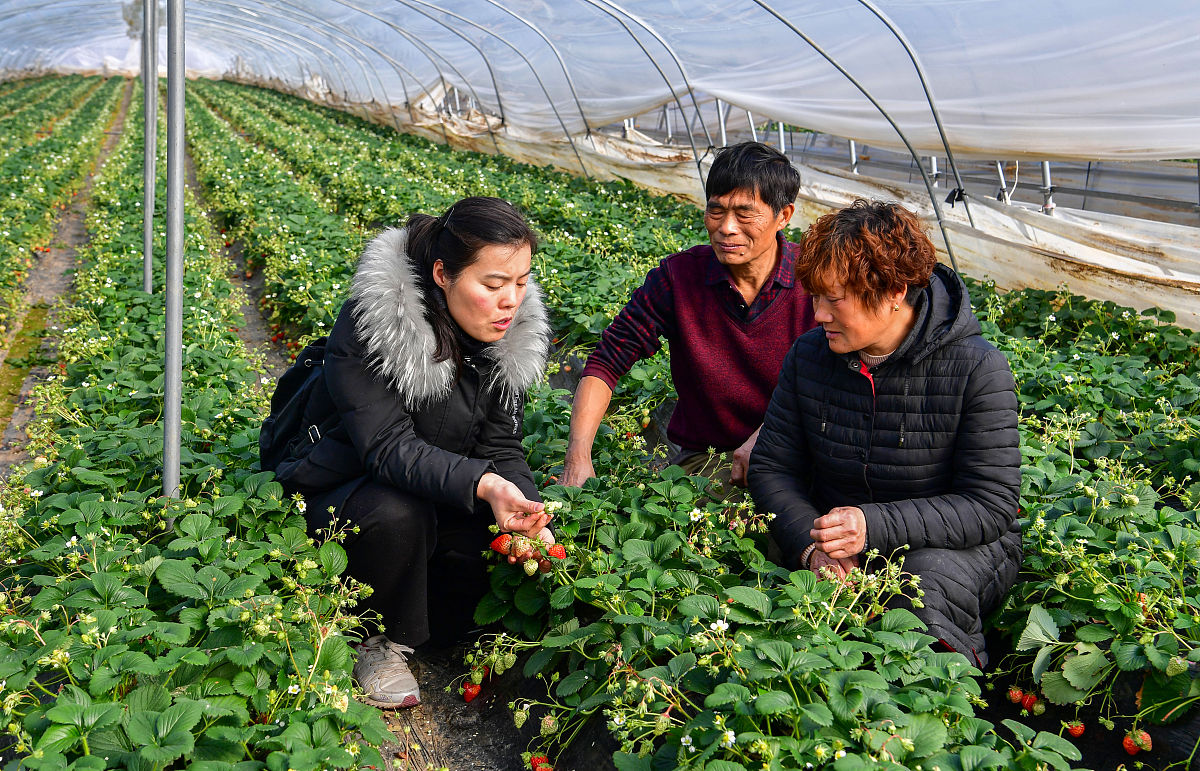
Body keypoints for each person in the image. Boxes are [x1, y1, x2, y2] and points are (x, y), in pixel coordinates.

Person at [271, 196, 553, 708]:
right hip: (341, 491)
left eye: (520, 281)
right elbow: (386, 448)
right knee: (396, 513)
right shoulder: (373, 325)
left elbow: (500, 444)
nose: (511, 300)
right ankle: (371, 640)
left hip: (431, 491)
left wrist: (530, 510)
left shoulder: (503, 338)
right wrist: (483, 484)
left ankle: (418, 619)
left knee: (469, 576)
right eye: (492, 285)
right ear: (443, 274)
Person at [749, 199, 1022, 666]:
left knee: (922, 587)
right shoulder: (809, 357)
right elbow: (773, 467)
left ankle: (934, 711)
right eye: (814, 297)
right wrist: (814, 547)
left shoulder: (977, 368)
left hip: (951, 546)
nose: (818, 315)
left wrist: (871, 526)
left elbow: (990, 504)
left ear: (894, 291)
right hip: (837, 539)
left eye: (834, 299)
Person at [562, 141, 815, 490]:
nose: (726, 227)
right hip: (709, 456)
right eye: (716, 210)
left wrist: (767, 437)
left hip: (802, 451)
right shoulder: (678, 278)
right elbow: (607, 361)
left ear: (783, 216)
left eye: (744, 213)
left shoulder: (815, 281)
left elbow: (842, 384)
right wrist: (578, 457)